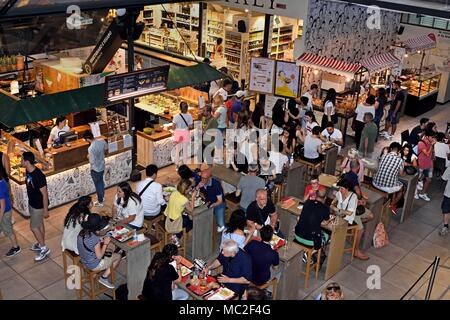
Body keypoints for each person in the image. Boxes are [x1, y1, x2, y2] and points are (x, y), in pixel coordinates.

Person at [77, 213, 121, 289]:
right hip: (93, 265)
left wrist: (101, 238)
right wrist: (105, 244)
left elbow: (89, 243)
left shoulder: (82, 233)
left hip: (84, 259)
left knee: (110, 249)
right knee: (118, 256)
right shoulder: (94, 239)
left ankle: (96, 274)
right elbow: (99, 256)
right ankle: (104, 277)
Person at [331, 179, 370, 260]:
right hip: (341, 216)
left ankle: (356, 250)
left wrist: (336, 209)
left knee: (361, 228)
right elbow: (335, 199)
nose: (340, 190)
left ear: (347, 188)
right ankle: (354, 236)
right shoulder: (339, 193)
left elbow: (349, 213)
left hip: (347, 217)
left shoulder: (353, 197)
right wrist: (332, 204)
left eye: (342, 188)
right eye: (339, 188)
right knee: (361, 228)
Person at [22, 152, 50, 261]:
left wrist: (45, 210)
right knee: (39, 224)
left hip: (38, 205)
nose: (21, 162)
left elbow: (45, 194)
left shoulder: (38, 176)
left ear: (27, 162)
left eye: (22, 160)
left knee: (33, 227)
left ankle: (44, 248)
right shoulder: (28, 171)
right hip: (32, 202)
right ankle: (40, 243)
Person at [372, 142, 405, 215]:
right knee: (402, 189)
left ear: (390, 149)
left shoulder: (384, 156)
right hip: (387, 187)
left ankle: (388, 202)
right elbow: (401, 174)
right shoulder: (400, 160)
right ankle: (391, 204)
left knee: (393, 182)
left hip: (375, 183)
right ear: (399, 151)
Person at [164, 179, 194, 245]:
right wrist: (193, 198)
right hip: (175, 223)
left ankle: (175, 235)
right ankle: (177, 236)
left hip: (167, 218)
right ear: (186, 189)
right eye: (190, 188)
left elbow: (169, 199)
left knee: (187, 217)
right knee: (191, 222)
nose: (190, 189)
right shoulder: (184, 199)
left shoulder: (174, 192)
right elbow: (191, 209)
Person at [196, 168, 226, 232]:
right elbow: (195, 192)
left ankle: (224, 231)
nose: (203, 180)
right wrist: (198, 187)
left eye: (205, 178)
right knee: (199, 215)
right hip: (207, 201)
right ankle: (205, 228)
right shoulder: (200, 180)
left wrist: (212, 205)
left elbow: (220, 200)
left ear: (210, 177)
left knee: (221, 225)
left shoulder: (216, 184)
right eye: (202, 177)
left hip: (218, 203)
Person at [83, 131, 108, 207]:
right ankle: (102, 197)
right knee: (101, 182)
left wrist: (88, 157)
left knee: (98, 185)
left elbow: (92, 162)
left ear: (87, 139)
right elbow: (106, 148)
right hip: (102, 165)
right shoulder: (102, 141)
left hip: (95, 169)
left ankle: (100, 201)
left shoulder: (91, 148)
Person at [0, 169, 20, 257]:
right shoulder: (2, 181)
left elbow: (2, 206)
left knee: (8, 230)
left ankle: (16, 247)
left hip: (4, 212)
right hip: (4, 211)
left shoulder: (0, 186)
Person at [416, 129, 436, 202]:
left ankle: (422, 193)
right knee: (419, 180)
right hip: (422, 164)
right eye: (432, 137)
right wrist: (431, 145)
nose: (433, 139)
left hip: (429, 164)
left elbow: (430, 154)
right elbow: (427, 153)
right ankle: (416, 193)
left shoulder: (430, 142)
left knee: (428, 180)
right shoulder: (421, 143)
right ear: (427, 136)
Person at [173, 101, 194, 167]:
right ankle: (185, 165)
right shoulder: (189, 116)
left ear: (180, 108)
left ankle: (177, 165)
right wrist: (187, 127)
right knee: (185, 150)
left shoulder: (176, 116)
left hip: (178, 133)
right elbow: (191, 126)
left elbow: (173, 127)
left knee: (177, 150)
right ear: (187, 108)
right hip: (185, 132)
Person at [439, 166, 450, 236]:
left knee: (446, 210)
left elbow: (444, 178)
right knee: (446, 210)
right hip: (448, 194)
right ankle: (446, 226)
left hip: (448, 194)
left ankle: (446, 226)